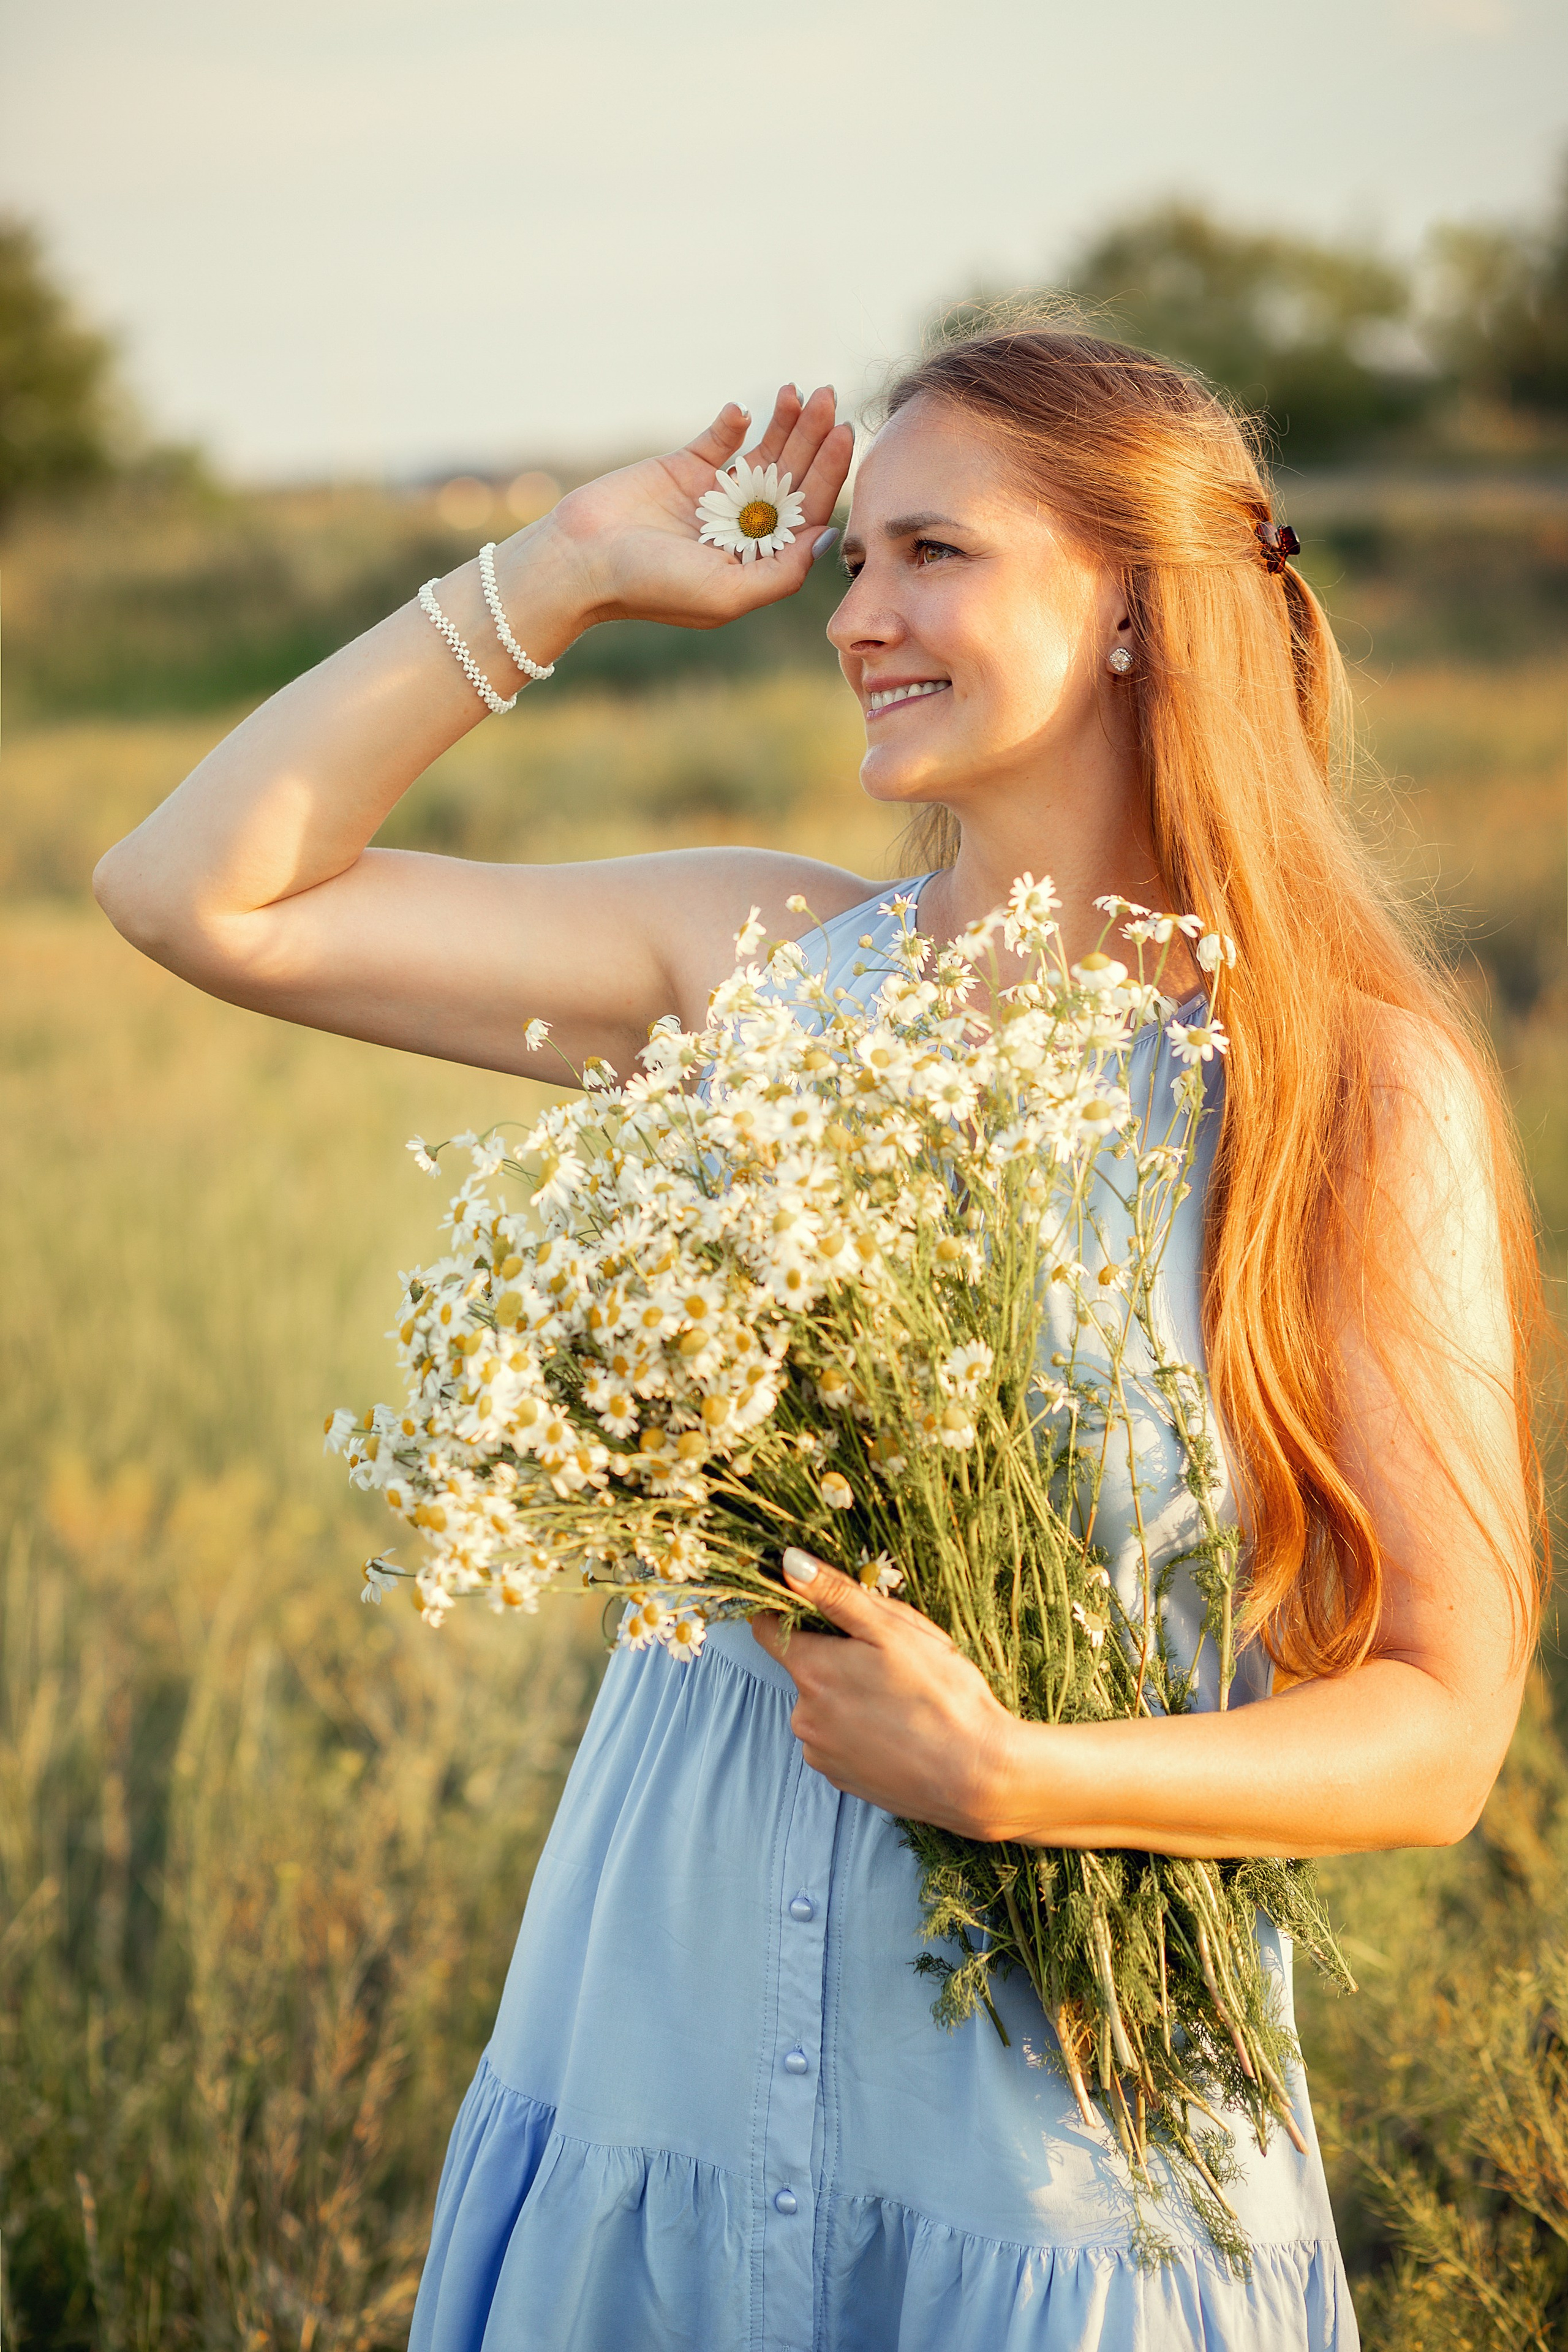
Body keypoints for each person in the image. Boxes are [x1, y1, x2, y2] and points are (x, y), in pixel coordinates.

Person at [94, 327, 1544, 2351]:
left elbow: (1442, 1729)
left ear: (1137, 601)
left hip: (1052, 2180)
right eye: (854, 560)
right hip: (647, 2099)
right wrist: (568, 568)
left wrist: (1015, 1776)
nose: (857, 618)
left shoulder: (1346, 1093)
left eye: (932, 553)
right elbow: (194, 894)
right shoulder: (758, 976)